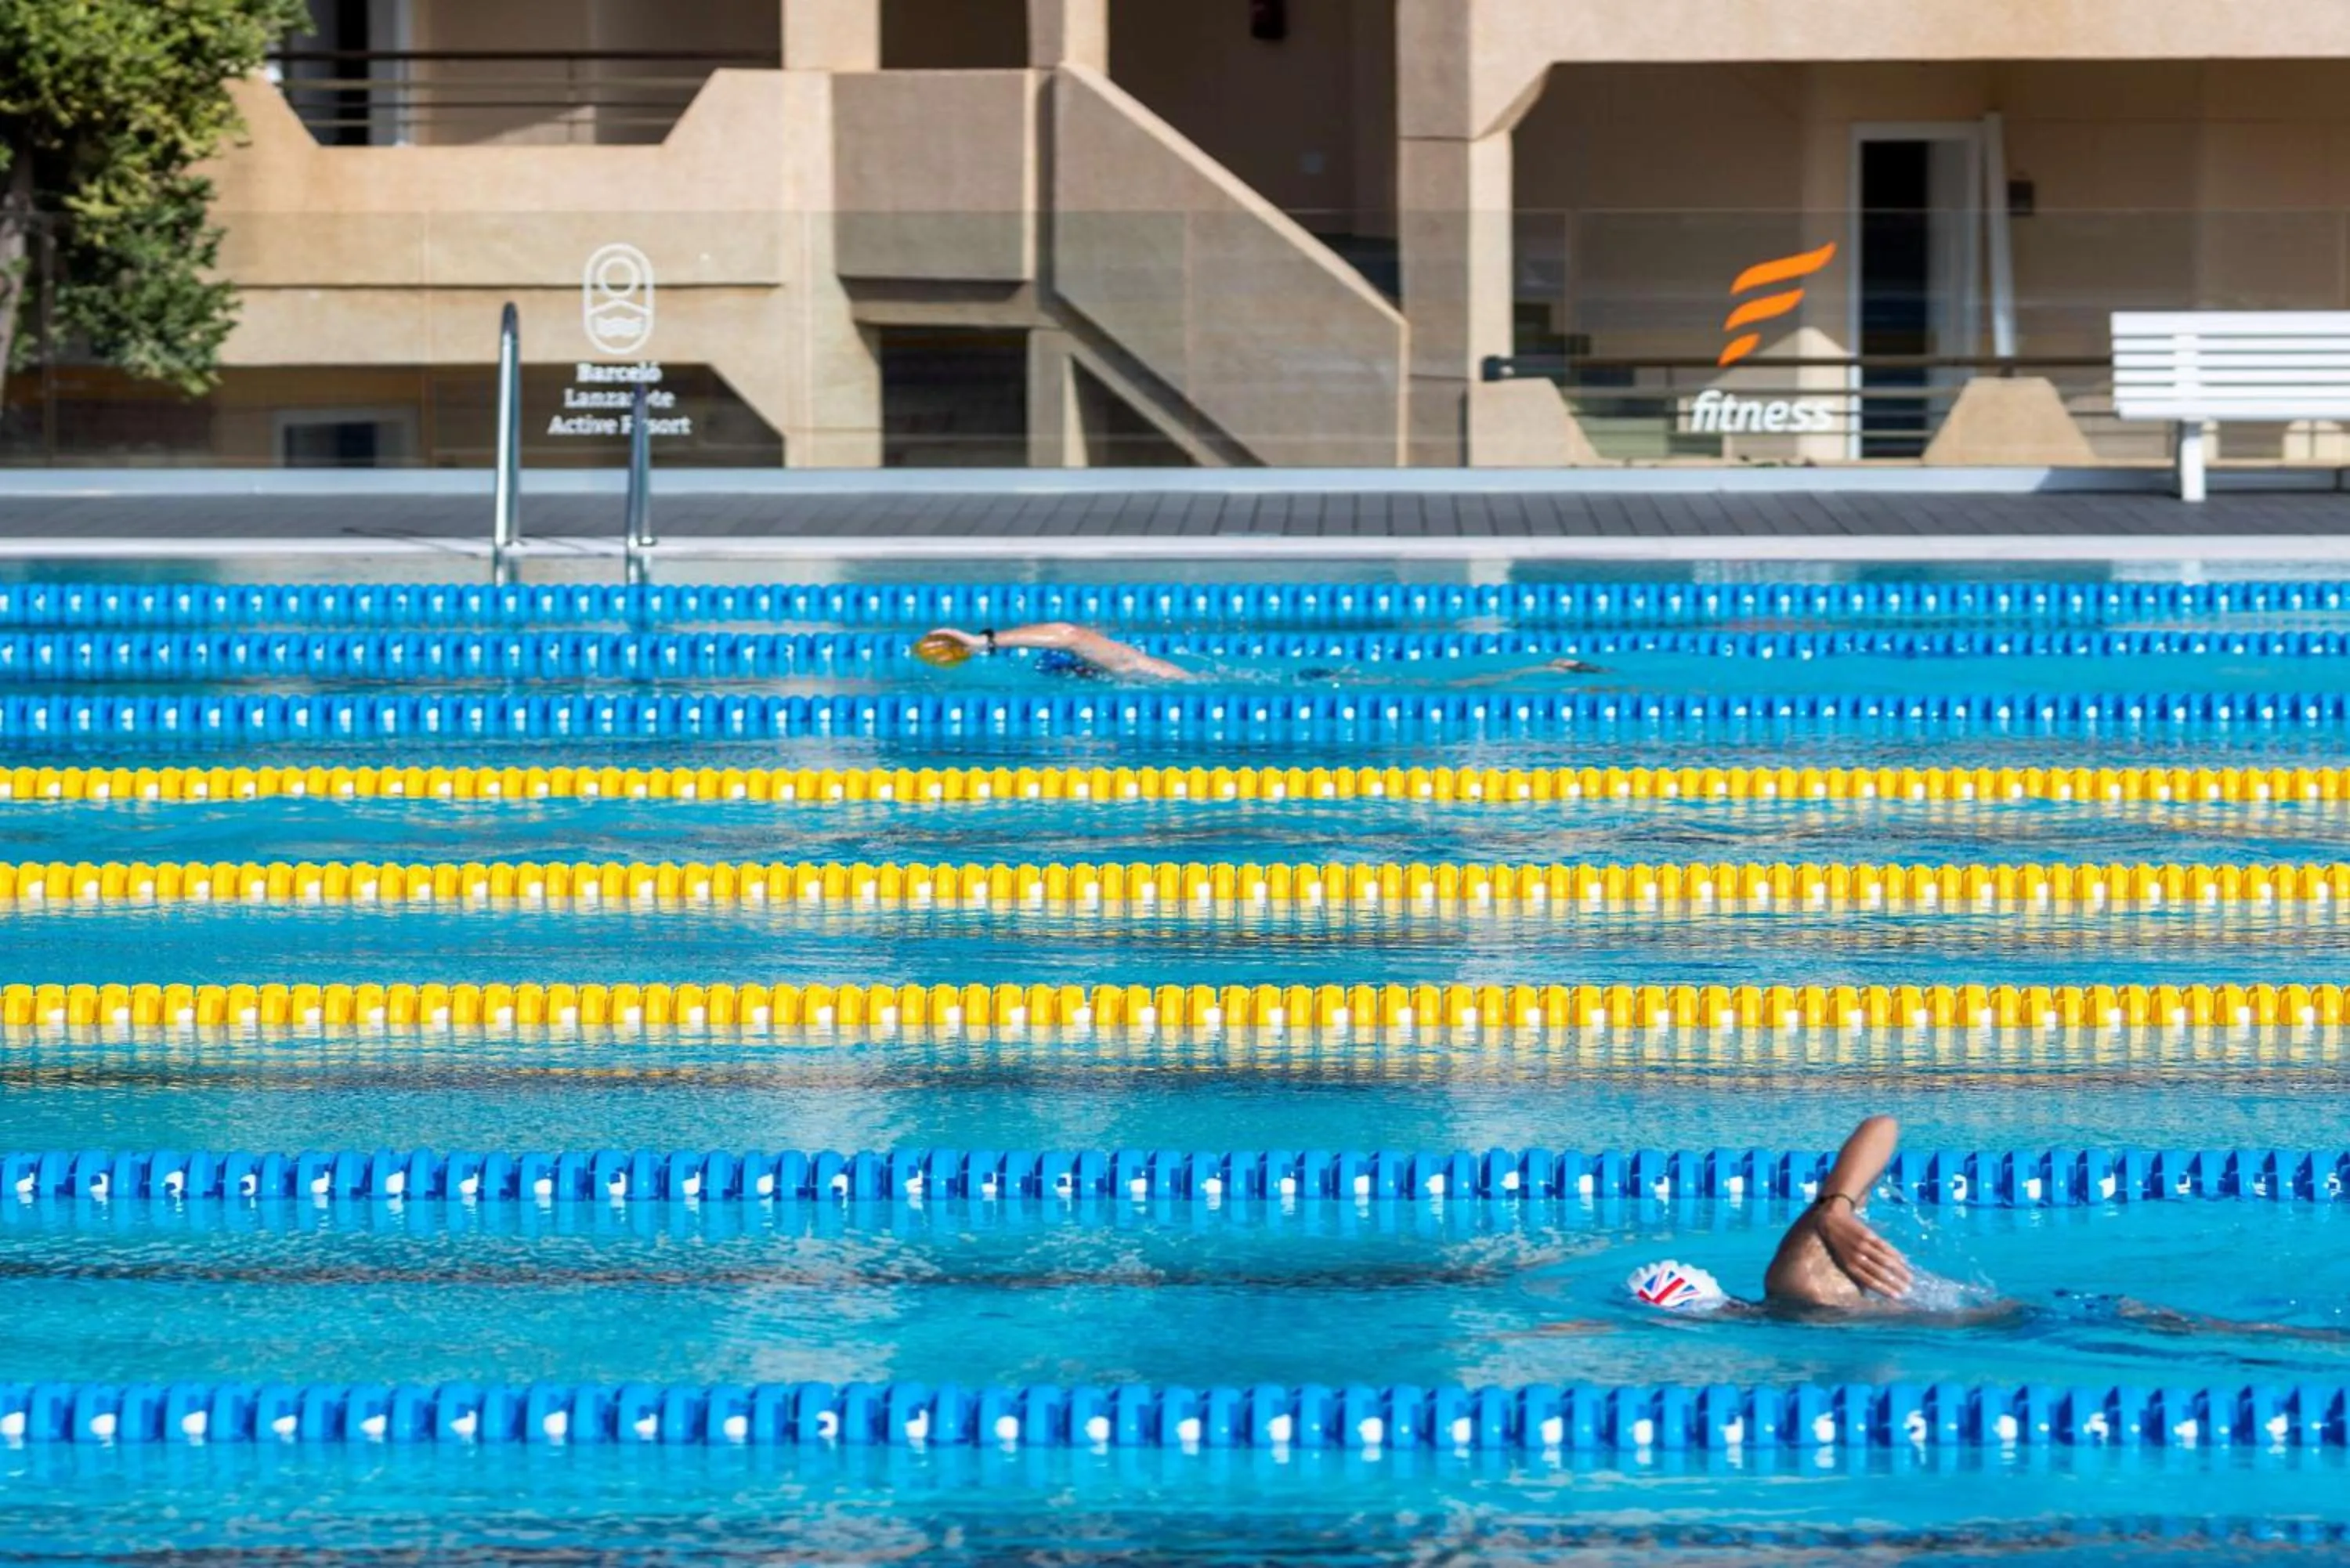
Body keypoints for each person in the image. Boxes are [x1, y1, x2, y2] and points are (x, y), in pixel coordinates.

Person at [1624, 1115, 2350, 1340]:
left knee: (2223, 1335)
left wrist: (1835, 1208)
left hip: (2035, 1323)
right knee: (2213, 1332)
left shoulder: (1794, 1283)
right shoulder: (1793, 1308)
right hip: (2027, 1319)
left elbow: (1882, 1125)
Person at [914, 622, 1600, 685]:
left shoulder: (1135, 671)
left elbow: (1067, 634)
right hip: (1295, 680)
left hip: (1306, 688)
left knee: (1436, 693)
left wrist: (984, 642)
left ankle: (1543, 668)